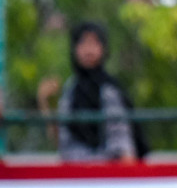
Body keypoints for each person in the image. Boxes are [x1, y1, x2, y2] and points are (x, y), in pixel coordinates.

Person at [36, 22, 149, 162]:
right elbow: (62, 142)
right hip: (74, 169)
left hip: (106, 170)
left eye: (94, 43)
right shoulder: (71, 90)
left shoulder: (109, 90)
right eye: (82, 43)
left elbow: (123, 146)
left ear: (103, 49)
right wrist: (45, 101)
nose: (88, 50)